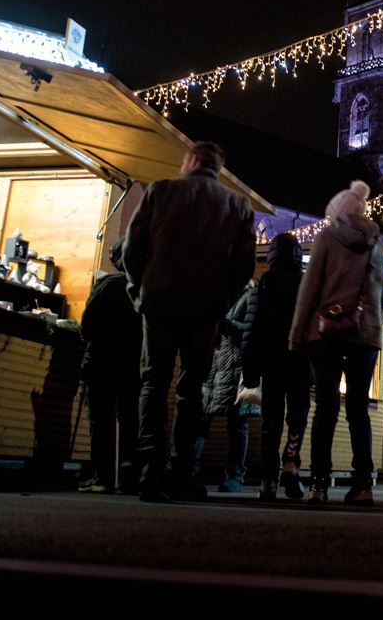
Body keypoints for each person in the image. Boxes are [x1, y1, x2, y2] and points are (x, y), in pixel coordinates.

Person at [124, 140, 256, 503]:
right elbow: (244, 266)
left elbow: (132, 248)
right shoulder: (237, 205)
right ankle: (181, 472)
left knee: (153, 382)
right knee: (192, 389)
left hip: (160, 301)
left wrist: (139, 290)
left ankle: (149, 468)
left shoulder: (161, 191)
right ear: (217, 167)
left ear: (193, 160)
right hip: (205, 308)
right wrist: (223, 299)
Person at [289, 180, 383, 507]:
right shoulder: (375, 242)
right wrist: (369, 327)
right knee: (358, 409)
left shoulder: (326, 238)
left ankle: (318, 484)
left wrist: (297, 333)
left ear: (337, 212)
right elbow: (377, 294)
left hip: (324, 333)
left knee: (325, 408)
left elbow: (309, 289)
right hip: (364, 335)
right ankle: (363, 484)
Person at [243, 233, 311, 501]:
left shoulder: (264, 283)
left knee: (271, 421)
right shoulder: (305, 283)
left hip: (272, 361)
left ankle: (268, 479)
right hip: (300, 361)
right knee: (297, 417)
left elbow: (252, 326)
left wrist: (250, 368)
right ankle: (291, 466)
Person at [78, 242, 141, 494]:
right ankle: (128, 476)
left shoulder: (106, 285)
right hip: (131, 362)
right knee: (129, 419)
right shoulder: (143, 289)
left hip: (102, 360)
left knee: (101, 419)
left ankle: (102, 476)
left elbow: (88, 323)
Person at [197, 281, 259, 493]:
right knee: (201, 418)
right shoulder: (220, 295)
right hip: (214, 367)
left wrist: (226, 324)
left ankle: (235, 476)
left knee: (237, 423)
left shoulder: (250, 295)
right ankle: (190, 468)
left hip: (237, 367)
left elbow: (253, 330)